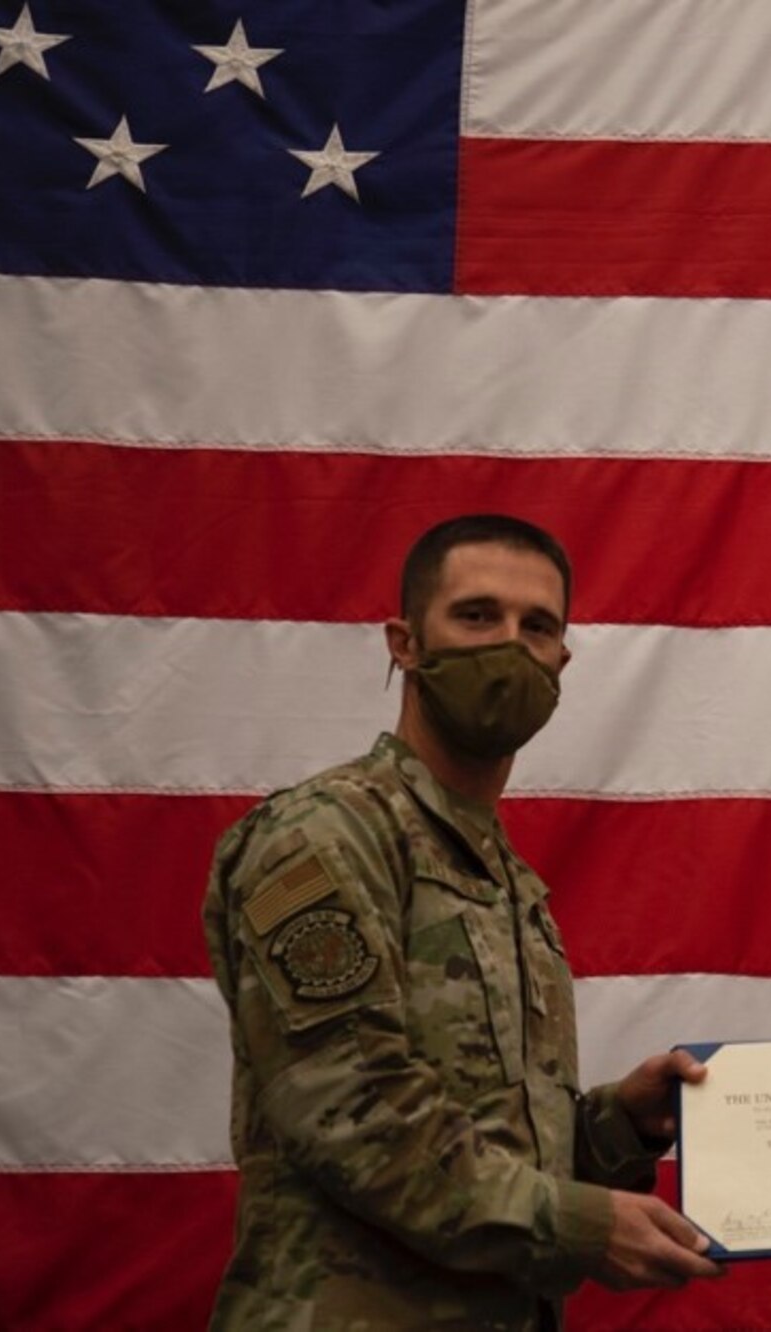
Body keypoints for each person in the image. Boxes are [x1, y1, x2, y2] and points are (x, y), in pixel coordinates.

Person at [202, 514, 723, 1329]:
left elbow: (502, 1150)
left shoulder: (506, 881)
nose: (509, 647)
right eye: (477, 616)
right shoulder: (328, 836)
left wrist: (622, 1123)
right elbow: (357, 1118)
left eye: (537, 627)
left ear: (562, 661)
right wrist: (585, 1230)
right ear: (404, 643)